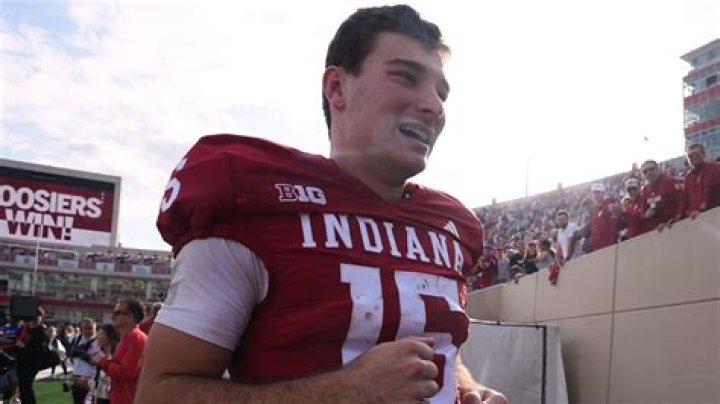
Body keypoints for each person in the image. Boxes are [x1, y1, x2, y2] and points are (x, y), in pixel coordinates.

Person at [137, 5, 506, 404]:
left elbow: (431, 339)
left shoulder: (448, 224)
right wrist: (342, 392)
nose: (434, 106)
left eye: (441, 93)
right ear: (337, 87)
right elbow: (158, 393)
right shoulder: (257, 202)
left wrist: (468, 388)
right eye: (406, 76)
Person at [91, 298, 147, 404]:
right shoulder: (128, 337)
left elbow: (128, 372)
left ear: (129, 318)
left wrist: (102, 361)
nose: (112, 317)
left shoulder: (134, 337)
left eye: (117, 313)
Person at [15, 307, 51, 404]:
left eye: (37, 317)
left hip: (32, 363)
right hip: (21, 361)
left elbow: (41, 350)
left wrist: (24, 346)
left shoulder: (42, 331)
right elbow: (15, 338)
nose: (34, 319)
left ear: (41, 317)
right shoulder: (25, 329)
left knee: (26, 386)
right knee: (22, 387)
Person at [638, 160, 683, 232]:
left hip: (675, 225)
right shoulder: (644, 191)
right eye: (645, 172)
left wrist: (676, 217)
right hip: (659, 230)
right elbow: (643, 213)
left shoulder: (669, 182)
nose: (648, 173)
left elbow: (681, 202)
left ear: (658, 169)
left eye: (651, 169)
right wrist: (647, 215)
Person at [680, 143, 720, 219]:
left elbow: (708, 189)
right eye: (690, 156)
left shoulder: (713, 168)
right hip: (696, 217)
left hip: (713, 214)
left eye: (696, 154)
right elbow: (684, 199)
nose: (694, 157)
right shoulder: (688, 177)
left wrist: (701, 209)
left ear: (703, 155)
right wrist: (679, 215)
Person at [67, 318, 100, 404]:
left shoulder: (100, 341)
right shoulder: (76, 339)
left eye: (90, 328)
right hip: (76, 378)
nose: (87, 331)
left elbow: (99, 361)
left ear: (95, 329)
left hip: (90, 380)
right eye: (85, 328)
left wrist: (85, 356)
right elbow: (72, 357)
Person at [89, 324, 120, 404]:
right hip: (98, 395)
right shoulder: (99, 354)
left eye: (101, 334)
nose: (97, 337)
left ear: (109, 337)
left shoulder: (116, 356)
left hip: (111, 396)